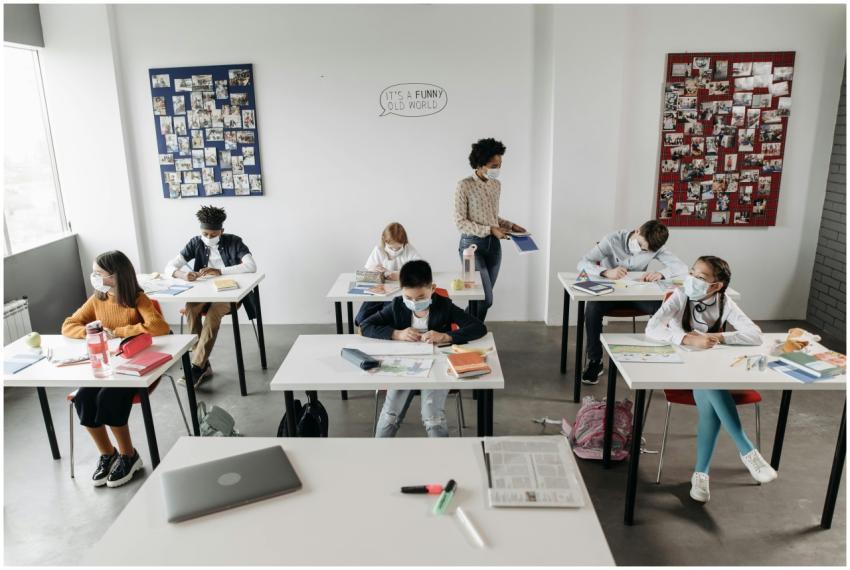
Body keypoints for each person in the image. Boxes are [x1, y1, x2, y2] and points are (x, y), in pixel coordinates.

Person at [645, 255, 777, 503]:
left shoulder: (724, 302)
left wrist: (719, 337)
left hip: (709, 370)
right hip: (679, 368)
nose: (692, 279)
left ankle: (701, 474)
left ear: (716, 285)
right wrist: (686, 338)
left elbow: (755, 335)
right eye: (692, 273)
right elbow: (652, 328)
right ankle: (746, 450)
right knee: (712, 385)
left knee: (710, 395)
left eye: (701, 277)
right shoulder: (681, 296)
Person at [61, 250, 170, 487]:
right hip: (106, 367)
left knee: (108, 398)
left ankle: (129, 455)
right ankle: (108, 454)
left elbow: (159, 326)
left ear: (116, 275)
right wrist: (93, 332)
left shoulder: (138, 299)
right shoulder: (97, 299)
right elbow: (68, 325)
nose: (94, 276)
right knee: (83, 399)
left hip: (134, 368)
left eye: (98, 273)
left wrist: (119, 332)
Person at [361, 260, 487, 438]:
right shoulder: (398, 305)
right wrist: (397, 334)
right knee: (390, 416)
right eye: (409, 297)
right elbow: (365, 326)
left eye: (420, 298)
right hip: (405, 364)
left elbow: (478, 328)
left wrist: (446, 336)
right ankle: (379, 452)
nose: (414, 302)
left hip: (437, 365)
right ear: (402, 291)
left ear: (432, 288)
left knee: (432, 418)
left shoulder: (444, 305)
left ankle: (441, 455)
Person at [576, 220, 687, 384]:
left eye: (646, 250)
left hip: (637, 294)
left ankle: (657, 356)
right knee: (592, 308)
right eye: (641, 245)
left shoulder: (655, 246)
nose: (641, 250)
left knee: (664, 307)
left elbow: (682, 267)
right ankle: (595, 360)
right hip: (609, 293)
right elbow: (583, 263)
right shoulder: (612, 239)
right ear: (637, 230)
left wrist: (661, 274)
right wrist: (606, 272)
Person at [164, 205, 257, 387]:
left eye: (213, 234)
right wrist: (182, 274)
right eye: (205, 234)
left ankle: (197, 367)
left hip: (230, 293)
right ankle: (202, 363)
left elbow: (251, 266)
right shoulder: (195, 243)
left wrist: (220, 271)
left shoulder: (234, 241)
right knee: (190, 308)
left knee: (213, 313)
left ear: (222, 231)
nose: (208, 238)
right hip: (204, 292)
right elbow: (169, 266)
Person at [454, 137, 526, 322]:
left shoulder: (496, 185)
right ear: (480, 164)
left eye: (500, 165)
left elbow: (493, 218)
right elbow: (460, 222)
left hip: (493, 247)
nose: (498, 169)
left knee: (482, 300)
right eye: (494, 166)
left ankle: (467, 330)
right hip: (470, 248)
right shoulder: (464, 186)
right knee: (484, 299)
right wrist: (491, 230)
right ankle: (467, 329)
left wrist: (511, 226)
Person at [354, 222, 421, 327]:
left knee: (387, 318)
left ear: (404, 243)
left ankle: (382, 330)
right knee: (361, 318)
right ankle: (368, 329)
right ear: (384, 240)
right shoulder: (378, 250)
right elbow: (369, 269)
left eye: (398, 248)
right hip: (379, 292)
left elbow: (420, 270)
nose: (394, 251)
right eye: (391, 247)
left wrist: (400, 275)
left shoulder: (409, 250)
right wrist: (375, 271)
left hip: (398, 294)